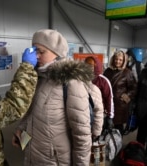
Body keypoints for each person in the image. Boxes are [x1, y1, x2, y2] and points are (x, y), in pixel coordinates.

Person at [12, 29, 104, 166]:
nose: (36, 56)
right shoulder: (37, 78)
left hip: (55, 160)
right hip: (33, 155)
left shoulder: (71, 83)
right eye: (34, 51)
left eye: (41, 52)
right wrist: (20, 131)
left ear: (57, 54)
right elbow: (30, 113)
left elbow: (82, 134)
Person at [103, 50, 137, 135]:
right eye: (116, 59)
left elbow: (134, 88)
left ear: (124, 61)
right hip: (107, 102)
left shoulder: (127, 73)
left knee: (118, 128)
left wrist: (125, 98)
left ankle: (118, 145)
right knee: (106, 125)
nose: (117, 61)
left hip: (120, 105)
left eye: (120, 60)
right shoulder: (107, 71)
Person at [84, 56, 114, 130]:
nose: (88, 67)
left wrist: (110, 116)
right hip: (84, 112)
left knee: (96, 134)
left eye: (91, 65)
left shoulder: (103, 81)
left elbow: (109, 99)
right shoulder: (81, 78)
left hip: (98, 114)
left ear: (96, 66)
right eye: (86, 65)